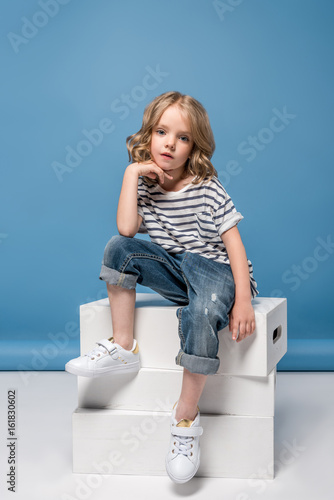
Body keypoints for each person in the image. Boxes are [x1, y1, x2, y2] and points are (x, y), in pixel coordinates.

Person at [65, 91, 259, 484]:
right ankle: (123, 346)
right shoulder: (146, 184)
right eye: (161, 131)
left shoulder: (207, 188)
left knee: (200, 313)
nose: (170, 143)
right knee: (119, 249)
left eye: (182, 137)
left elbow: (235, 247)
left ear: (194, 147)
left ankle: (185, 419)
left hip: (216, 272)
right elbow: (126, 230)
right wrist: (131, 173)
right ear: (149, 136)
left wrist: (242, 301)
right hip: (178, 271)